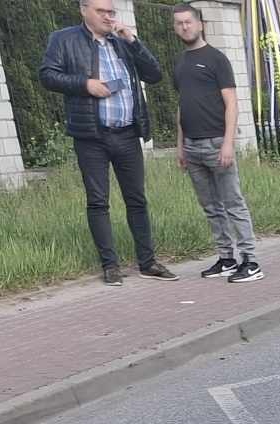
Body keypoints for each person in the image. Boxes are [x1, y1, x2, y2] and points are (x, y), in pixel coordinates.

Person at [39, 0, 177, 286]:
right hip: (92, 135)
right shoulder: (64, 39)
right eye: (101, 11)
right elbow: (47, 76)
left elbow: (154, 75)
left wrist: (133, 41)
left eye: (111, 12)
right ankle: (110, 266)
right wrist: (85, 84)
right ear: (84, 10)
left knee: (137, 199)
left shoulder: (122, 42)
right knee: (98, 201)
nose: (107, 17)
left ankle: (148, 262)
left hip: (127, 133)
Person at [170, 4, 262, 283]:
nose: (184, 27)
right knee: (211, 207)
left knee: (233, 203)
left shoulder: (216, 59)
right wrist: (180, 145)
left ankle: (251, 261)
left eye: (188, 22)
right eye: (179, 23)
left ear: (200, 24)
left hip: (217, 142)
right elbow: (182, 105)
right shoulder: (180, 63)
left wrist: (228, 143)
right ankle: (226, 258)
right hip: (192, 147)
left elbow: (231, 103)